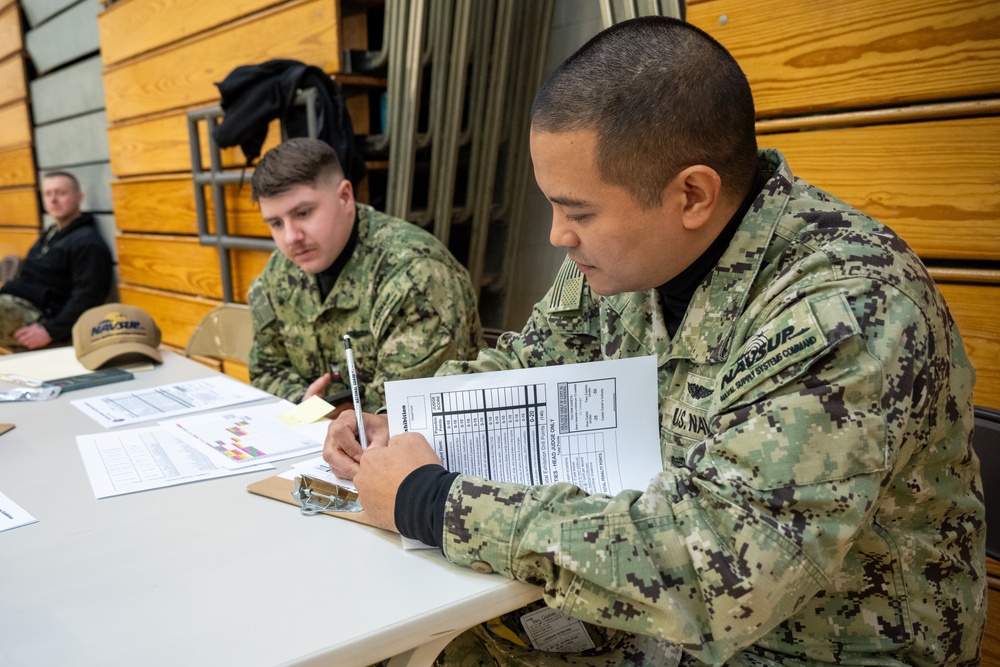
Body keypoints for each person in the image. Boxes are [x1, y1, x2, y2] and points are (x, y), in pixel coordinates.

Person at [323, 17, 986, 666]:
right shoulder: (628, 254)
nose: (557, 234)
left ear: (692, 194)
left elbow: (720, 570)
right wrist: (409, 424)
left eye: (577, 211)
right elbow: (532, 356)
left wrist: (431, 500)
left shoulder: (846, 311)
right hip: (660, 621)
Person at [247, 137, 484, 408]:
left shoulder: (416, 276)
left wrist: (333, 416)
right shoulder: (278, 272)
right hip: (324, 438)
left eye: (302, 213)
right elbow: (266, 368)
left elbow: (408, 412)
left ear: (345, 197)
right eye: (276, 223)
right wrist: (303, 402)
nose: (291, 237)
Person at [0, 171, 113, 351]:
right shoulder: (51, 234)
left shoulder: (87, 242)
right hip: (15, 302)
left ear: (79, 197)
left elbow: (89, 296)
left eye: (61, 193)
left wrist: (51, 331)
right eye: (48, 194)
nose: (53, 200)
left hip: (41, 318)